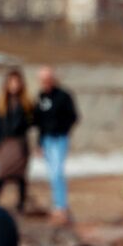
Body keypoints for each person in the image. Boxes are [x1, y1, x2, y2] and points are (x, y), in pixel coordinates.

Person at [34, 67, 80, 226]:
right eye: (42, 80)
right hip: (46, 139)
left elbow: (73, 116)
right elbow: (39, 121)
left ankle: (61, 206)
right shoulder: (41, 97)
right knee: (52, 173)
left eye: (47, 79)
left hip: (59, 138)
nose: (45, 83)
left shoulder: (63, 96)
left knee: (57, 172)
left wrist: (63, 129)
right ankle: (57, 204)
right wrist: (39, 143)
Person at [0, 68, 33, 213]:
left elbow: (33, 122)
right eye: (11, 82)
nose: (14, 85)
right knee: (2, 173)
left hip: (20, 143)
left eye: (17, 82)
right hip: (6, 143)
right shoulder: (1, 104)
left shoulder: (26, 104)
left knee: (20, 175)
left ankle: (21, 204)